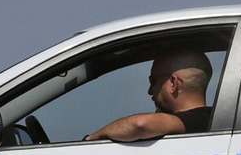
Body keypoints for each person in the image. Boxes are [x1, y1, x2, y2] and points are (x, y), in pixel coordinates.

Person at [84, 48, 213, 142]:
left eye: (153, 81)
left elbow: (140, 125)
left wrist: (92, 138)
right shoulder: (210, 121)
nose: (150, 91)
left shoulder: (200, 121)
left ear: (174, 83)